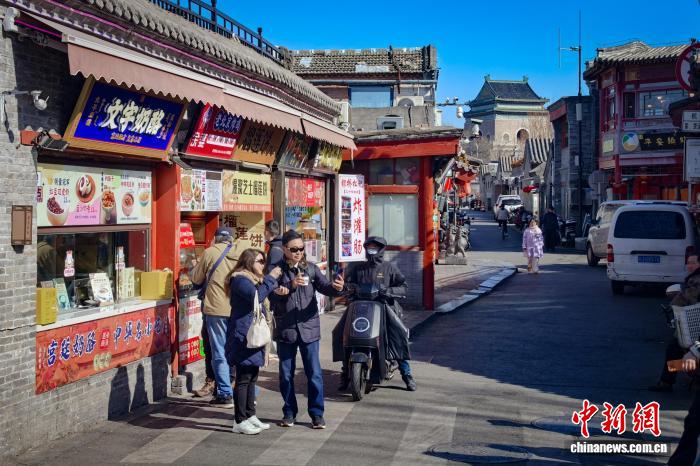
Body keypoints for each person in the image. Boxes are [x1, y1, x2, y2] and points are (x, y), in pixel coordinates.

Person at [269, 230, 344, 429]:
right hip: (286, 329)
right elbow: (269, 296)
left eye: (301, 249)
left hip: (309, 328)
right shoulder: (276, 271)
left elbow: (325, 287)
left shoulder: (311, 268)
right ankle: (289, 412)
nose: (298, 253)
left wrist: (337, 288)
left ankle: (317, 414)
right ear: (284, 249)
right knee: (286, 374)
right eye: (294, 249)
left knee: (314, 373)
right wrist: (289, 286)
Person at [335, 236, 415, 391]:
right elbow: (346, 285)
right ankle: (345, 373)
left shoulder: (389, 268)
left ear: (381, 249)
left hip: (384, 308)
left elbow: (403, 286)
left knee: (397, 335)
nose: (372, 250)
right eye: (369, 247)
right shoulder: (357, 267)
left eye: (375, 247)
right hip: (360, 309)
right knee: (342, 332)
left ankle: (407, 375)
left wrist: (389, 291)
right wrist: (347, 287)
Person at [227, 249, 282, 434]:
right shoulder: (240, 279)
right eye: (260, 261)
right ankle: (239, 420)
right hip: (243, 335)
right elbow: (256, 297)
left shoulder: (255, 279)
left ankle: (250, 415)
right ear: (249, 262)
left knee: (252, 376)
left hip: (253, 333)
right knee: (243, 378)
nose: (263, 265)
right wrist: (271, 278)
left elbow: (263, 294)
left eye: (264, 261)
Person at [190, 227, 238, 407]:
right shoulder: (242, 253)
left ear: (215, 239)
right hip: (238, 308)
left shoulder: (210, 252)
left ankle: (224, 393)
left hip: (216, 309)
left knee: (219, 351)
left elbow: (196, 278)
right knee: (236, 350)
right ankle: (243, 391)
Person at [649, 254, 700, 393]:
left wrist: (673, 305)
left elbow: (687, 297)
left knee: (677, 350)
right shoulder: (693, 278)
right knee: (677, 349)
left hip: (693, 324)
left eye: (693, 263)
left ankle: (668, 381)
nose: (690, 266)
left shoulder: (696, 280)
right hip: (690, 322)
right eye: (688, 263)